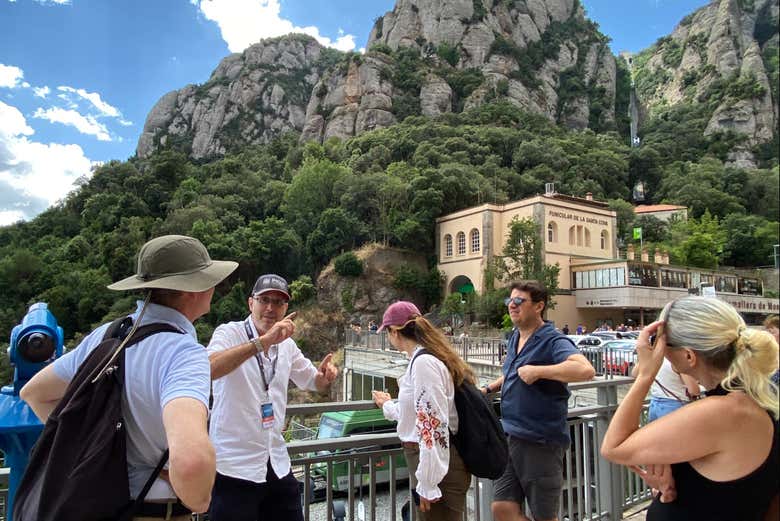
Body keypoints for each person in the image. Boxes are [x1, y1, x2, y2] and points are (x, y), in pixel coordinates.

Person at [21, 234, 237, 519]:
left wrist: (99, 458)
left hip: (97, 508)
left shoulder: (108, 335)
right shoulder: (184, 353)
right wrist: (200, 499)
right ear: (192, 289)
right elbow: (192, 462)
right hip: (152, 511)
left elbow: (35, 393)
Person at [601, 296, 779, 521]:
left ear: (688, 355)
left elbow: (614, 447)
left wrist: (645, 375)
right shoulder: (755, 399)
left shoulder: (723, 411)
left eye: (661, 342)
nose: (659, 351)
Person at [206, 273, 339, 521]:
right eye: (264, 299)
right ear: (250, 303)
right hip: (234, 466)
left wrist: (325, 375)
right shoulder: (229, 333)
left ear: (286, 308)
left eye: (278, 302)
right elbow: (209, 368)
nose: (270, 308)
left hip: (276, 461)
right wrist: (262, 342)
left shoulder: (286, 345)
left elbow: (312, 381)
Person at [482, 281, 595, 521]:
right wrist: (491, 387)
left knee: (544, 515)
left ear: (539, 306)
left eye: (519, 301)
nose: (512, 305)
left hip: (539, 440)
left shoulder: (552, 339)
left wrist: (540, 371)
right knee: (501, 509)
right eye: (510, 301)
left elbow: (584, 370)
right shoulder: (515, 337)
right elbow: (515, 371)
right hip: (510, 435)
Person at [371, 301, 472, 520]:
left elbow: (431, 423)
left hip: (437, 467)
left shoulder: (423, 363)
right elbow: (419, 412)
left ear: (394, 332)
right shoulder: (422, 359)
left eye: (387, 332)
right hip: (431, 461)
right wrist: (388, 406)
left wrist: (428, 482)